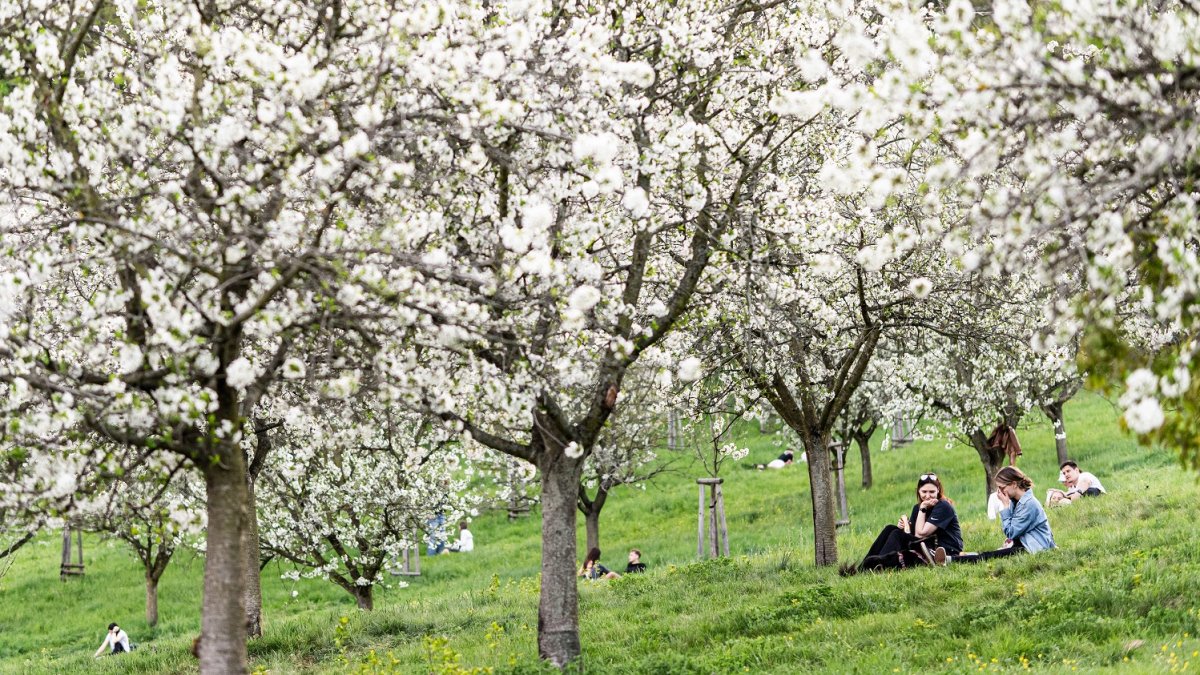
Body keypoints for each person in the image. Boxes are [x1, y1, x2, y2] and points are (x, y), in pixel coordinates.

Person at [840, 472, 963, 575]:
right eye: (924, 491)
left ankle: (876, 566)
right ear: (918, 491)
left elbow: (921, 534)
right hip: (926, 545)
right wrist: (904, 526)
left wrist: (923, 509)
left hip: (943, 549)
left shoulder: (943, 506)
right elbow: (913, 535)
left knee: (897, 535)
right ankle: (863, 568)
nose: (927, 496)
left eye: (932, 492)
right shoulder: (918, 508)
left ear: (938, 491)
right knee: (891, 529)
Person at [936, 466, 1055, 565]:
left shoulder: (1029, 504)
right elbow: (1014, 532)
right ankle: (954, 557)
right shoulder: (1016, 501)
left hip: (1035, 547)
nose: (1000, 492)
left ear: (1014, 484)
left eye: (1002, 488)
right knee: (994, 553)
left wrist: (1005, 507)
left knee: (992, 556)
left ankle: (950, 560)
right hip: (1026, 543)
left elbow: (1011, 532)